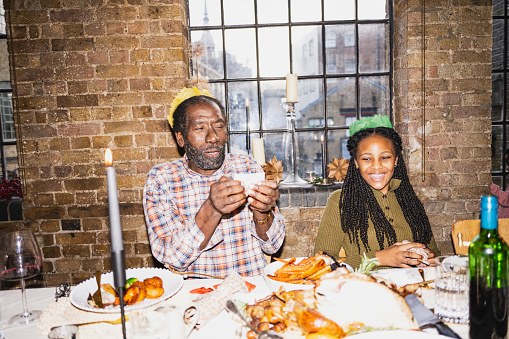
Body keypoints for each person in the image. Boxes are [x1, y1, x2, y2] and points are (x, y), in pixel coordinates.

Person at [143, 87, 285, 278]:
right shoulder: (162, 180)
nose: (213, 137)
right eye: (200, 128)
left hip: (252, 288)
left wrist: (262, 211)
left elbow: (273, 245)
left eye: (219, 126)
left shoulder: (246, 166)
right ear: (180, 138)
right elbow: (171, 258)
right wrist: (211, 208)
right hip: (199, 293)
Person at [314, 115, 439, 269]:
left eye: (385, 157)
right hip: (365, 288)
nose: (377, 166)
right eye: (367, 159)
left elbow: (434, 252)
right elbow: (322, 263)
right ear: (356, 163)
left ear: (396, 160)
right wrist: (379, 258)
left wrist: (431, 260)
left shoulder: (410, 200)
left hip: (412, 287)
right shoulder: (340, 201)